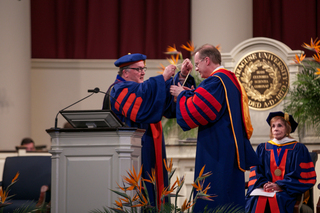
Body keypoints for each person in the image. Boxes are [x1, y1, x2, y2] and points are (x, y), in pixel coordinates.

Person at [170, 44, 259, 212]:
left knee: (216, 195)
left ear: (207, 60)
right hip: (228, 147)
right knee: (230, 195)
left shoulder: (216, 81)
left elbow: (199, 111)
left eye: (197, 64)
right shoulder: (230, 79)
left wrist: (181, 94)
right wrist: (186, 86)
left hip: (217, 150)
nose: (196, 69)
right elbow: (206, 102)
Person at [102, 53, 195, 207]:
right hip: (134, 151)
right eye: (138, 69)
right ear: (125, 72)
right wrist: (163, 77)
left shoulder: (140, 89)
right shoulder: (119, 90)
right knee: (142, 191)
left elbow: (162, 102)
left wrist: (182, 76)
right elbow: (143, 104)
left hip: (150, 146)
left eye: (143, 68)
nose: (143, 72)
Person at [245, 111, 316, 213]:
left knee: (278, 199)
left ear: (287, 128)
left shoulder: (298, 148)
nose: (276, 129)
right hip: (264, 190)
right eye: (273, 126)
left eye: (280, 125)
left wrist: (280, 185)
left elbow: (303, 176)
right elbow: (256, 172)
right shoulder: (262, 148)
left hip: (287, 191)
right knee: (254, 200)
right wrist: (265, 184)